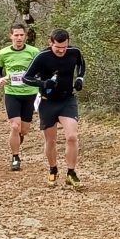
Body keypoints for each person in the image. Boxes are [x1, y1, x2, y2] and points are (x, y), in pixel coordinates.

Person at [26, 28, 87, 188]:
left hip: (67, 99)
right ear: (50, 42)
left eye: (64, 47)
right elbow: (27, 78)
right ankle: (53, 169)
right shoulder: (42, 57)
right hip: (47, 102)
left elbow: (82, 65)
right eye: (57, 48)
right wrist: (43, 83)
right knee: (51, 140)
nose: (61, 51)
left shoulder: (74, 52)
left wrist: (80, 79)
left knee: (72, 137)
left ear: (68, 43)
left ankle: (71, 173)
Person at [0, 23, 39, 171]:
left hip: (30, 94)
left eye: (21, 35)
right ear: (11, 36)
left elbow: (41, 69)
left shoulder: (34, 52)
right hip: (12, 93)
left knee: (24, 130)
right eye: (16, 35)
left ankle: (17, 141)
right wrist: (0, 79)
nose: (19, 38)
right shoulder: (3, 53)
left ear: (25, 36)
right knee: (15, 126)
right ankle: (15, 157)